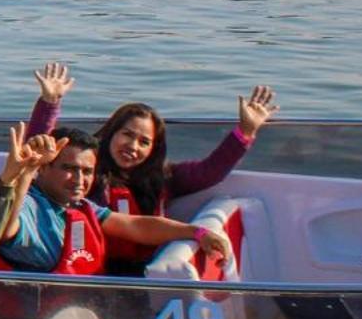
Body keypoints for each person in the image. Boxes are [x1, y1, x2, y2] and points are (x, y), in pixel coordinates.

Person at [32, 69, 276, 274]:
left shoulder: (163, 179)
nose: (133, 146)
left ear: (153, 149)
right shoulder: (85, 174)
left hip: (145, 271)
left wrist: (245, 132)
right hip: (97, 269)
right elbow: (36, 156)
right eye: (127, 134)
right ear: (111, 133)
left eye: (144, 142)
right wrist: (49, 104)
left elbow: (209, 172)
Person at [0, 125, 234, 278]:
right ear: (43, 169)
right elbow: (3, 229)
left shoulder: (78, 207)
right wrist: (21, 173)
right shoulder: (29, 206)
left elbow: (136, 226)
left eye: (87, 171)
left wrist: (196, 232)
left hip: (88, 311)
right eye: (68, 168)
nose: (79, 179)